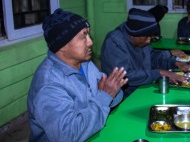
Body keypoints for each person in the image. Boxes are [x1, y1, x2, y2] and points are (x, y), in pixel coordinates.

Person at [27, 9, 128, 142]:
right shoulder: (49, 85)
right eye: (83, 36)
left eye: (88, 35)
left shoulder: (85, 64)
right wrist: (105, 95)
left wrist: (108, 93)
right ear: (62, 45)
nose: (90, 42)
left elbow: (115, 96)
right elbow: (67, 136)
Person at [101, 8, 190, 99]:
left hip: (142, 89)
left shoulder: (142, 39)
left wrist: (175, 63)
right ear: (133, 34)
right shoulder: (114, 42)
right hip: (122, 97)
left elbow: (151, 58)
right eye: (146, 37)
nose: (148, 41)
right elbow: (126, 76)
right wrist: (160, 72)